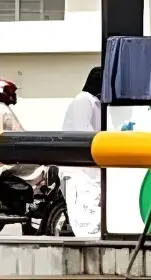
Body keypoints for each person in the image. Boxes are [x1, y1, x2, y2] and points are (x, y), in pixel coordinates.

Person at [61, 66, 104, 237]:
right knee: (85, 216)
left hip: (88, 169)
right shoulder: (83, 100)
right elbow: (83, 133)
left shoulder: (93, 102)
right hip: (79, 169)